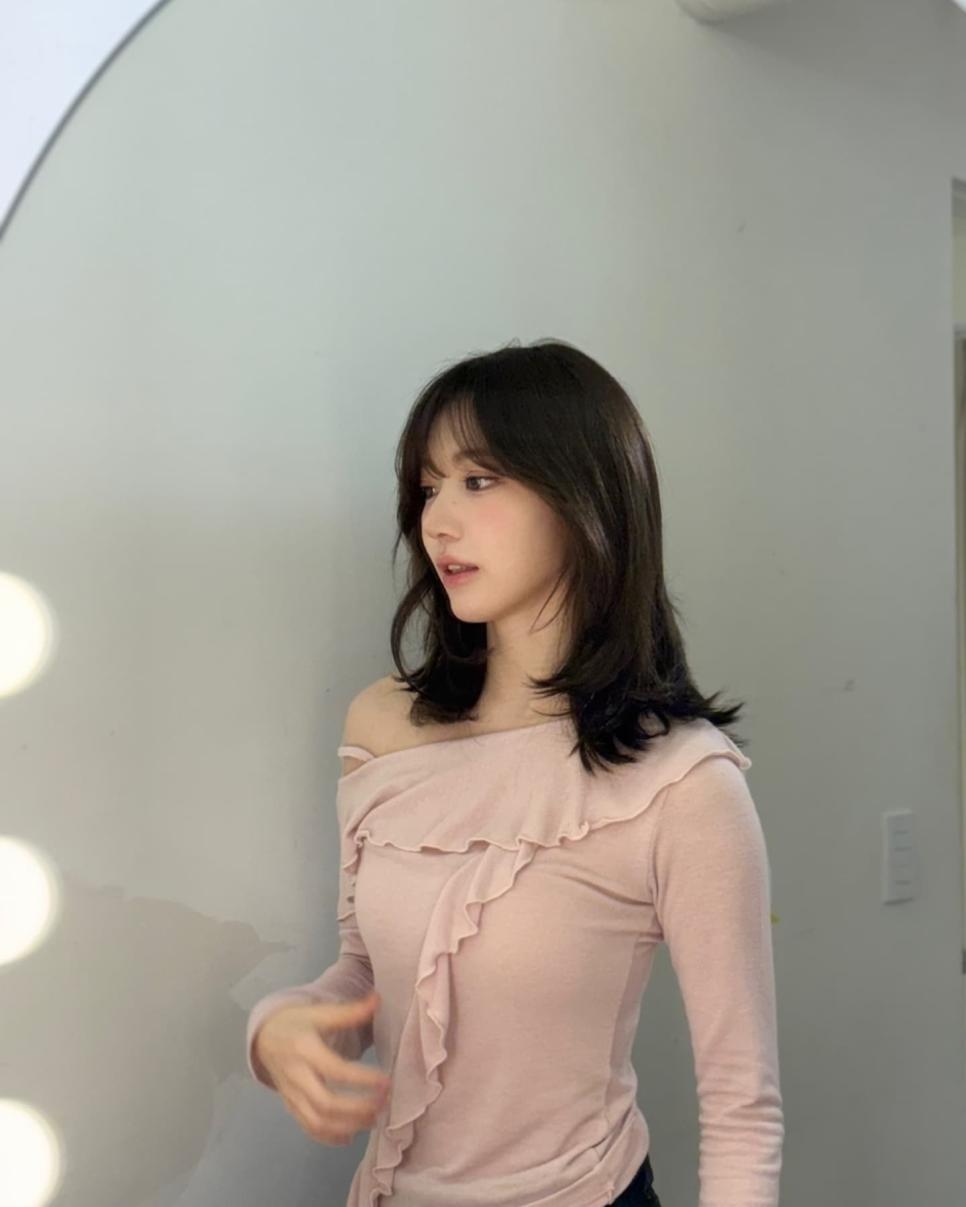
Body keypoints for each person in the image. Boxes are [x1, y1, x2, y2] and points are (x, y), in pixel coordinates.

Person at [246, 338, 784, 1207]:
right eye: (428, 487)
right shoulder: (380, 726)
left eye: (479, 479)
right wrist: (277, 1029)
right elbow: (367, 972)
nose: (438, 521)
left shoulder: (684, 781)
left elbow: (741, 1110)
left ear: (585, 496)